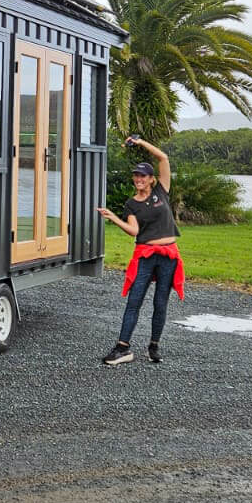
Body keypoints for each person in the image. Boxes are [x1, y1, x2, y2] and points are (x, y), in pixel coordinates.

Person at [96, 135, 185, 366]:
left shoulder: (161, 192)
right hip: (145, 255)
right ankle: (122, 347)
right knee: (134, 300)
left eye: (143, 175)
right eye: (136, 175)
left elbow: (163, 157)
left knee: (160, 303)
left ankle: (154, 345)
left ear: (152, 179)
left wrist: (140, 142)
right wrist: (113, 217)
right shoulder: (131, 204)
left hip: (168, 255)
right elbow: (134, 231)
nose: (139, 179)